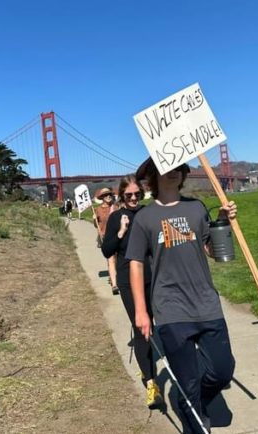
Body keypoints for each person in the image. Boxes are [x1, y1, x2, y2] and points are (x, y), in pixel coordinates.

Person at [126, 157, 237, 433]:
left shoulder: (197, 208)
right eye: (166, 168)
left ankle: (189, 402)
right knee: (187, 382)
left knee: (222, 371)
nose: (173, 172)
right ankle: (194, 416)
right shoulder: (144, 218)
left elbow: (210, 250)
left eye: (178, 167)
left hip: (206, 302)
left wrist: (223, 223)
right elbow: (136, 263)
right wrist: (141, 310)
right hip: (170, 309)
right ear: (153, 176)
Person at [101, 175, 163, 409]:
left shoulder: (148, 214)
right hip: (128, 280)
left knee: (154, 326)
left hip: (154, 277)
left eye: (138, 194)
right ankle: (151, 383)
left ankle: (146, 366)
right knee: (142, 329)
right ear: (122, 196)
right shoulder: (117, 217)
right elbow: (107, 251)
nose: (134, 198)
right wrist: (121, 232)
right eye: (129, 195)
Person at [96, 187, 120, 293]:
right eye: (106, 195)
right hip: (105, 236)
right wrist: (93, 219)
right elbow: (96, 225)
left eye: (110, 194)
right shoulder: (98, 210)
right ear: (102, 198)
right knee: (110, 259)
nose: (108, 196)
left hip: (117, 235)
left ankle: (112, 275)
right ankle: (114, 285)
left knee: (116, 259)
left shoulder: (116, 207)